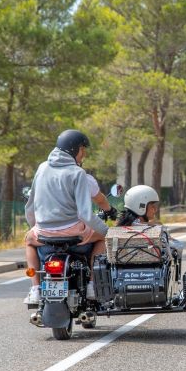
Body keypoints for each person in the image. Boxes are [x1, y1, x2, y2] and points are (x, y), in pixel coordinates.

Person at [22, 130, 113, 304]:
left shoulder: (42, 168)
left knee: (28, 240)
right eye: (82, 149)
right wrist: (107, 231)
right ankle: (92, 285)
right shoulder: (77, 173)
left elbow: (30, 206)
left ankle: (35, 289)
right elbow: (85, 214)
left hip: (44, 233)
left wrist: (35, 227)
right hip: (74, 233)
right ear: (74, 149)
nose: (84, 154)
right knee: (102, 238)